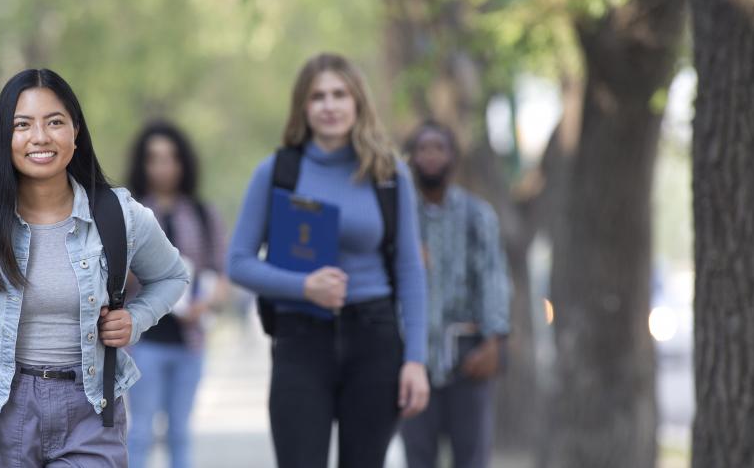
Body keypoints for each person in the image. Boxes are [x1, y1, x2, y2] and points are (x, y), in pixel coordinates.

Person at [0, 68, 189, 467]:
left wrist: (136, 318)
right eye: (22, 125)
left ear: (75, 132)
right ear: (3, 138)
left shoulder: (120, 215)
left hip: (91, 409)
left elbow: (172, 276)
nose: (40, 137)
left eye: (55, 122)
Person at [227, 52, 431, 468]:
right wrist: (304, 287)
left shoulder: (389, 173)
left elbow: (411, 270)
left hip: (375, 339)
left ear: (358, 102)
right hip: (300, 341)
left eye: (340, 94)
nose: (330, 105)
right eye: (318, 96)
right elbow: (238, 262)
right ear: (304, 106)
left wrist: (416, 361)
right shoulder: (277, 172)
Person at [398, 121, 510, 468]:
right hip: (413, 359)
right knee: (419, 458)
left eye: (439, 148)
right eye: (423, 149)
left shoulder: (478, 215)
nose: (430, 156)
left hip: (468, 355)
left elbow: (494, 277)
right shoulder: (400, 217)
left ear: (453, 157)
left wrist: (494, 342)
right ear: (411, 158)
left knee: (472, 458)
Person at [124, 120, 230, 468]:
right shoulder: (129, 213)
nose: (163, 167)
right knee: (139, 433)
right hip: (144, 340)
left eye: (170, 158)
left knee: (180, 433)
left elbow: (223, 273)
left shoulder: (202, 213)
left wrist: (207, 301)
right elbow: (110, 278)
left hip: (190, 341)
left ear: (184, 163)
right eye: (154, 158)